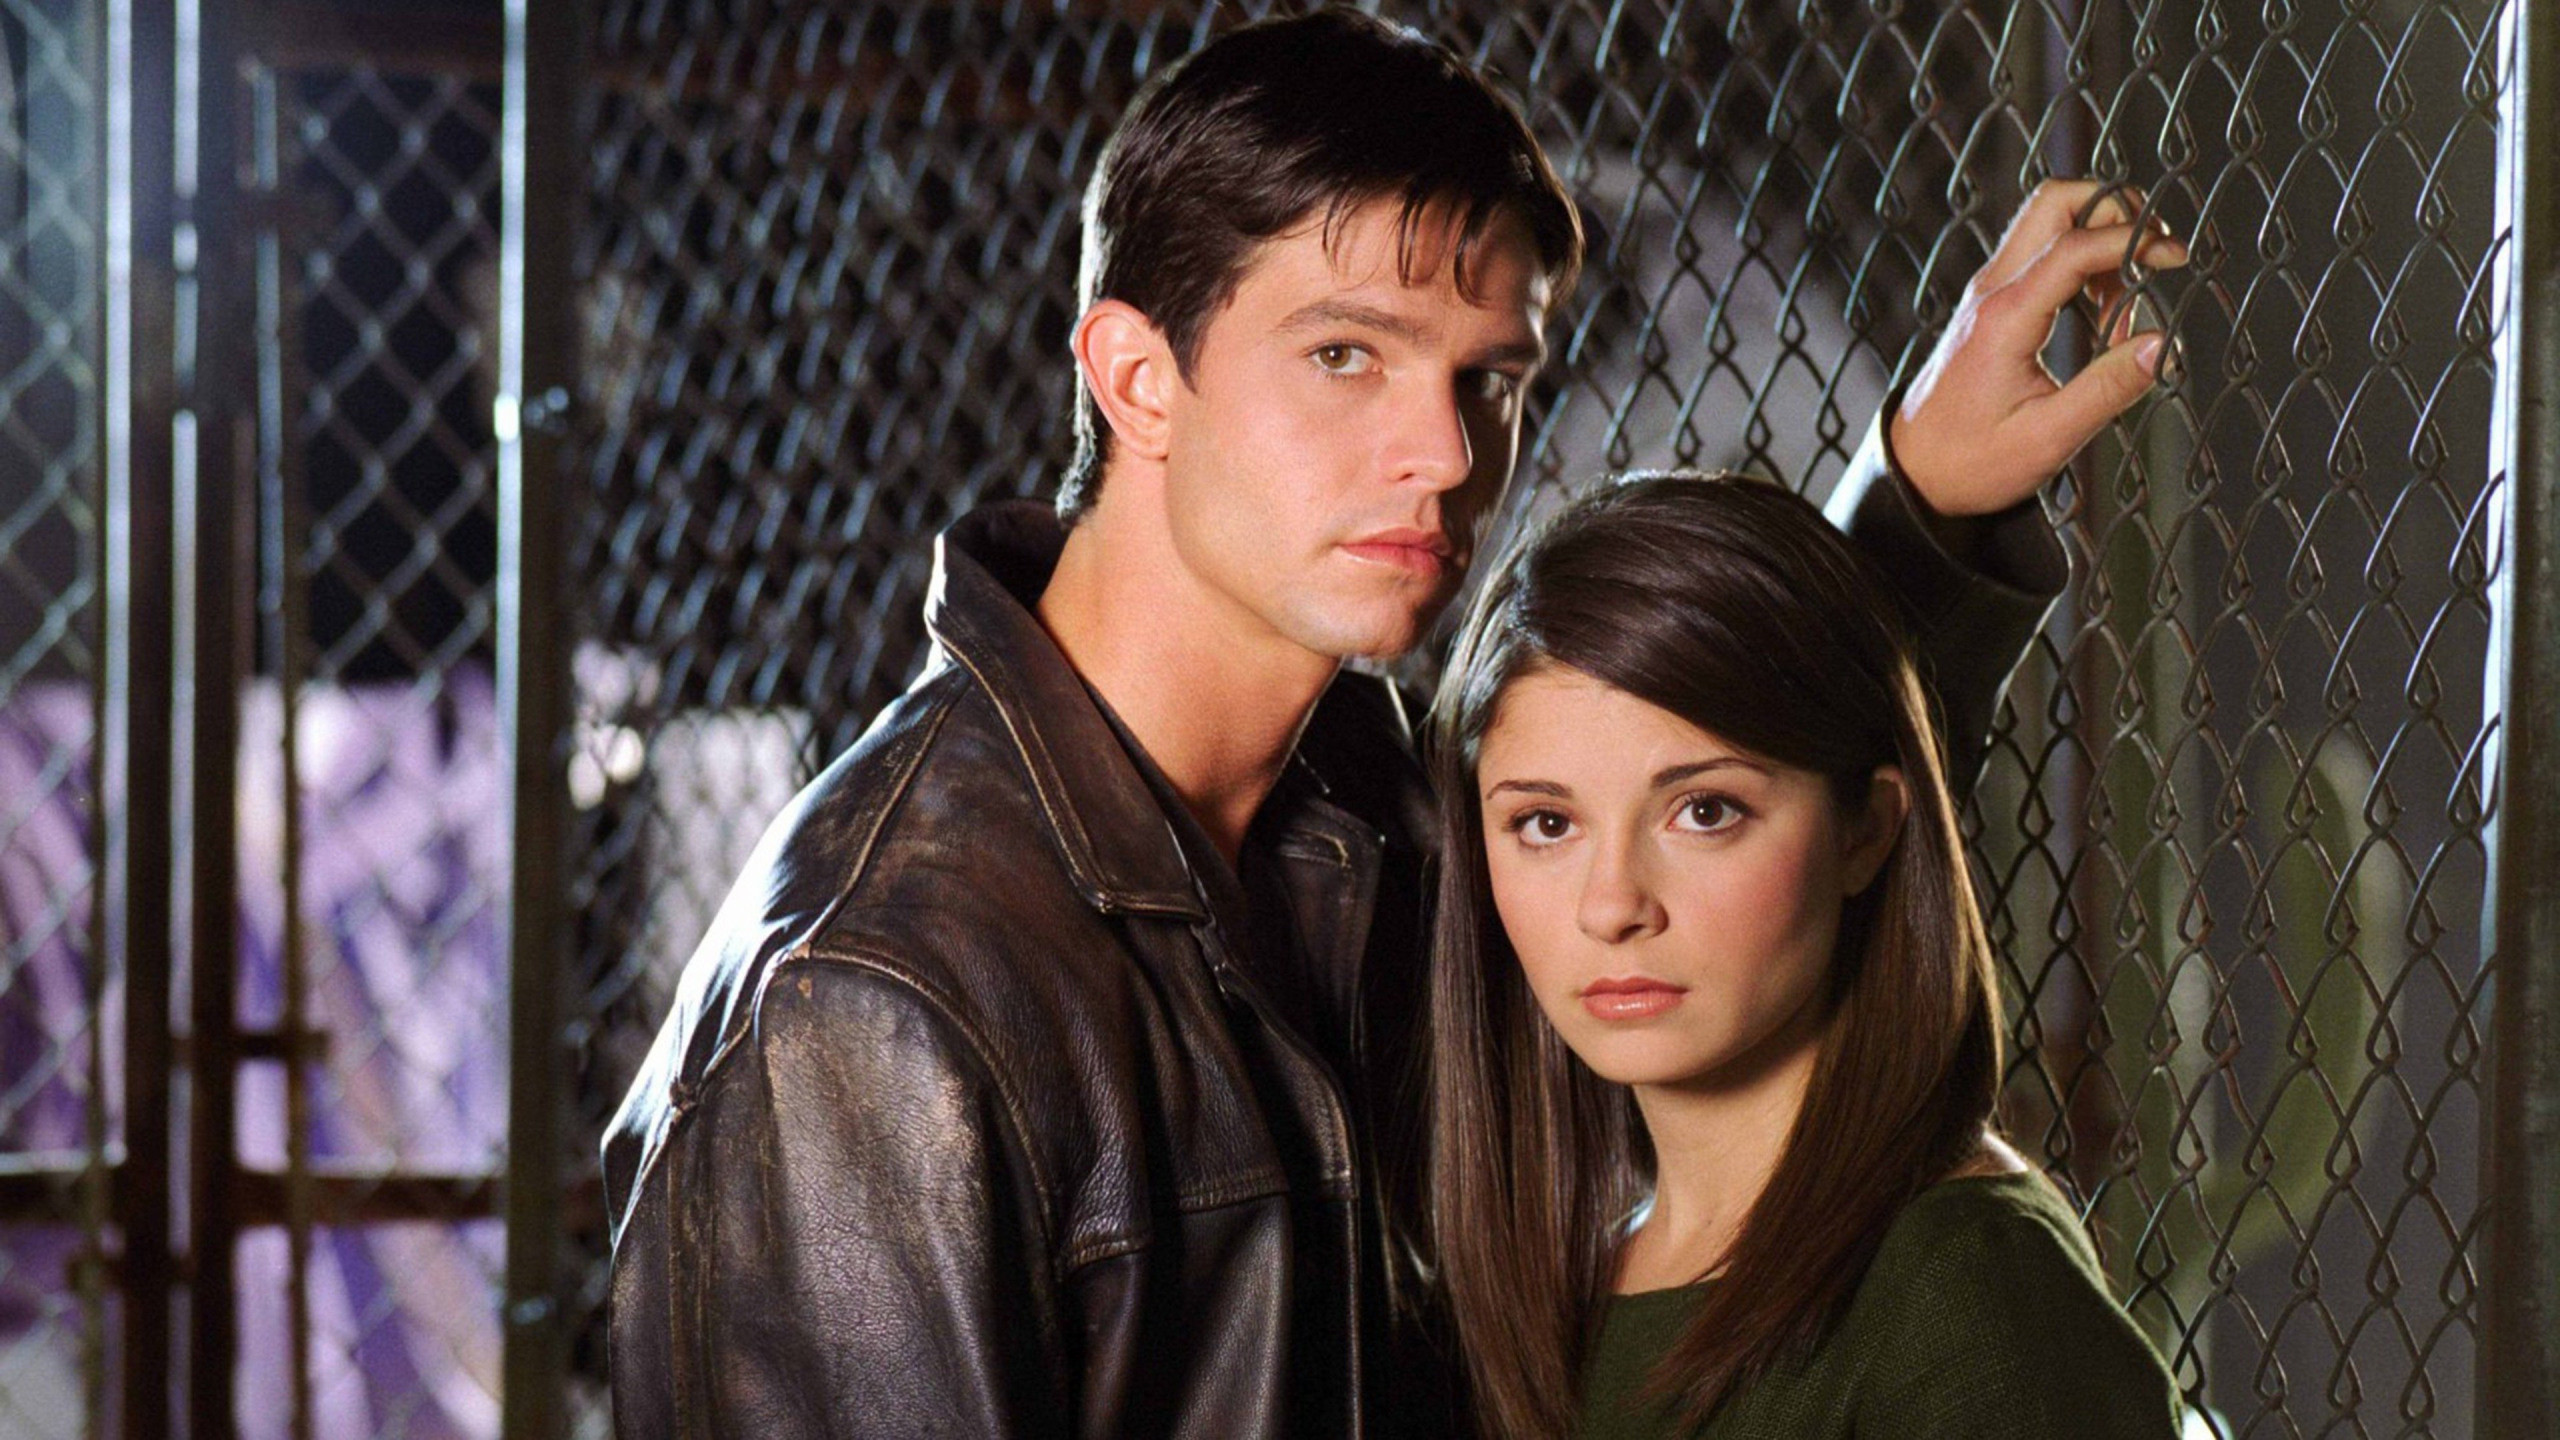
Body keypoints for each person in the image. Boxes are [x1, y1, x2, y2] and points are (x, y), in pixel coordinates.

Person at [600, 9, 2184, 1436]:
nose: (1443, 452)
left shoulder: (1371, 809)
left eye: (1489, 378)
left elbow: (1723, 833)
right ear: (1138, 381)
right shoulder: (872, 1004)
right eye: (1346, 356)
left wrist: (1915, 514)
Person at [1426, 473, 2184, 1438]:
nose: (1611, 906)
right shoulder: (1543, 1305)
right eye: (1545, 823)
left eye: (1705, 811)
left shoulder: (1972, 1304)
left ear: (1867, 829)